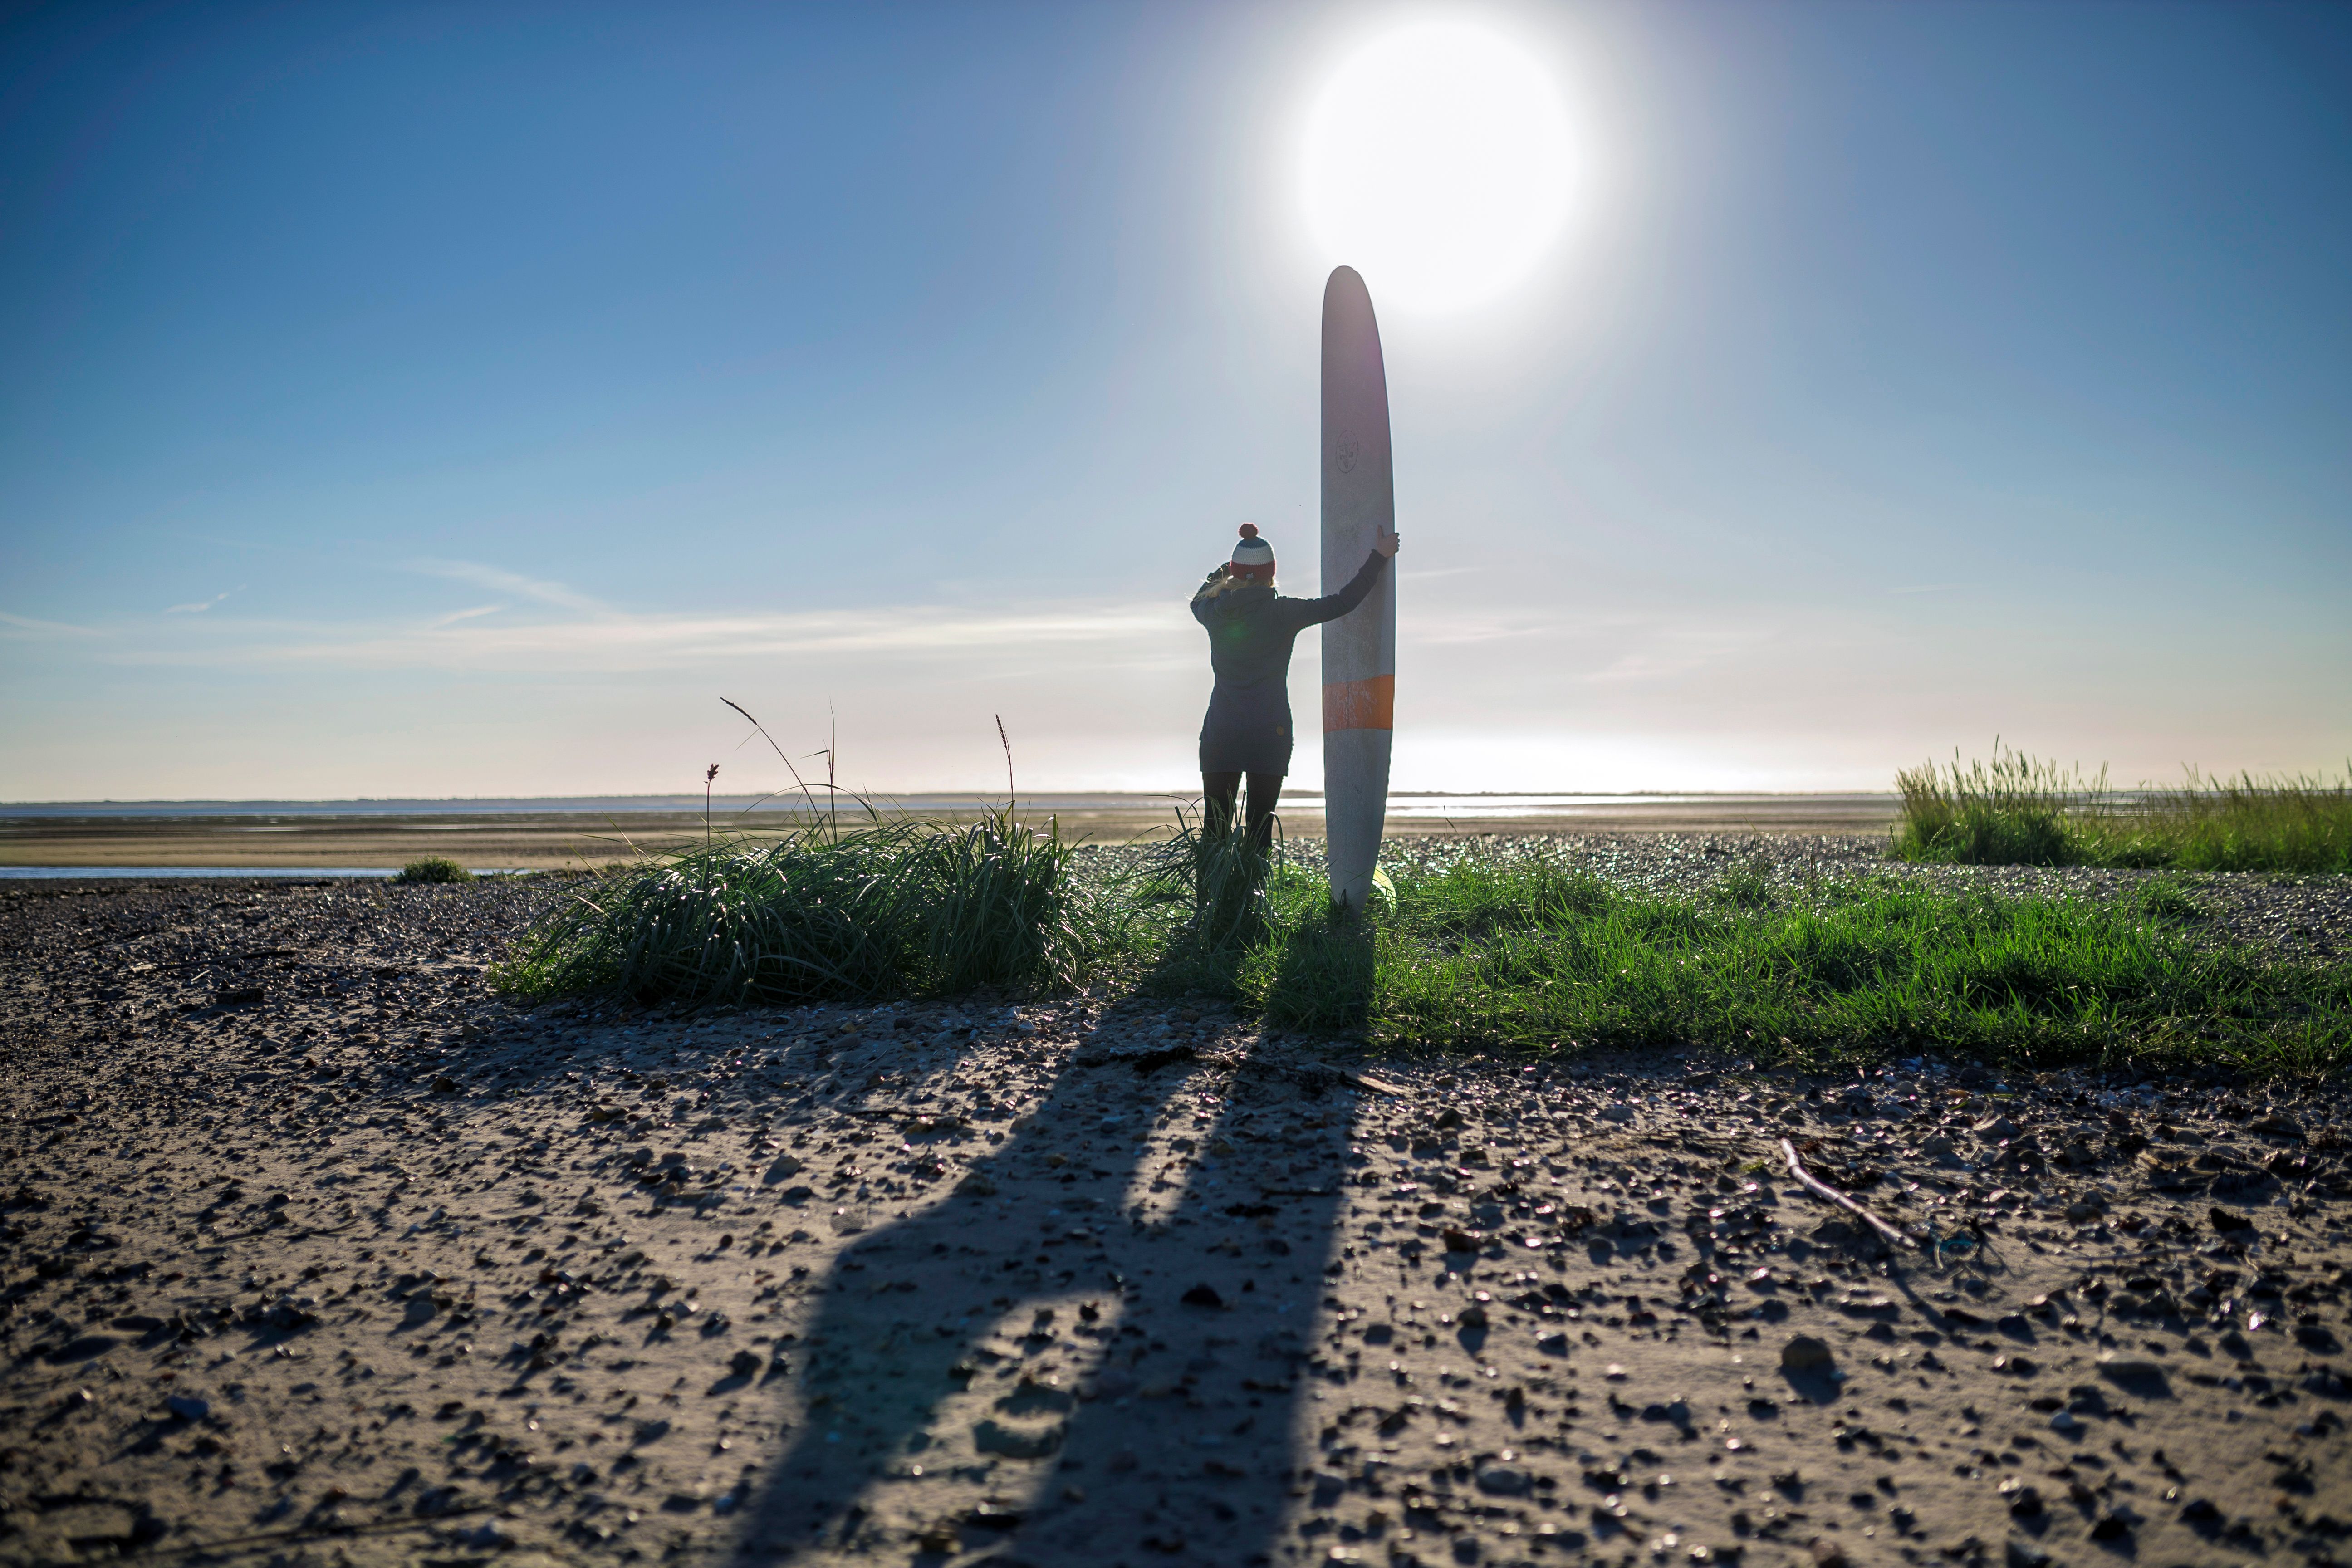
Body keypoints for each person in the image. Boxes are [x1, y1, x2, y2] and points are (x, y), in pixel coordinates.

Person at [1191, 521, 1400, 849]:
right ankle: (1252, 899)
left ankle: (1213, 901)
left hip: (1222, 733)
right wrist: (1379, 556)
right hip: (1269, 733)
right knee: (1260, 832)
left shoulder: (1214, 613)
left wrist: (1229, 569)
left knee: (1214, 833)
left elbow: (1199, 596)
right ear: (1270, 573)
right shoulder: (1283, 612)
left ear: (1236, 572)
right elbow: (1343, 602)